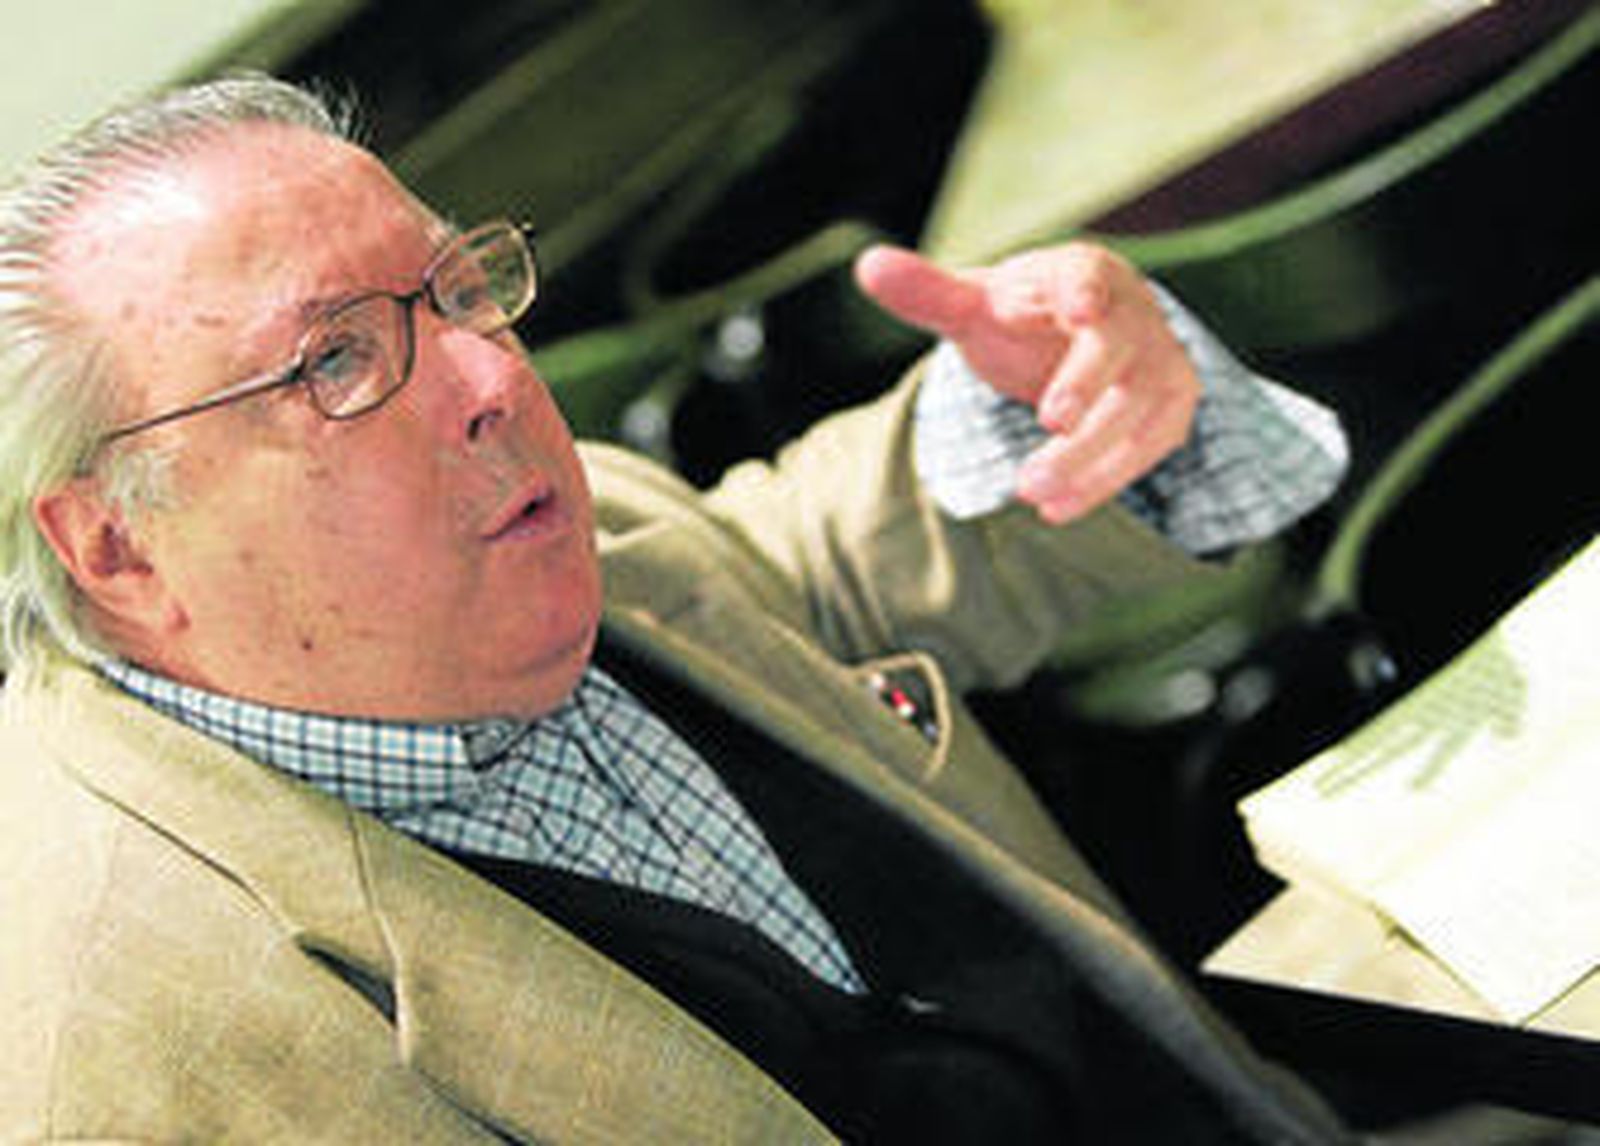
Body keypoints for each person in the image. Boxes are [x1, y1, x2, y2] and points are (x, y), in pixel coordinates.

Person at [0, 75, 1356, 1143]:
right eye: (336, 359)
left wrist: (1061, 392)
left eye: (460, 290)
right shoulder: (136, 1061)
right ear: (117, 543)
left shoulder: (563, 536)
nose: (489, 375)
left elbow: (805, 562)